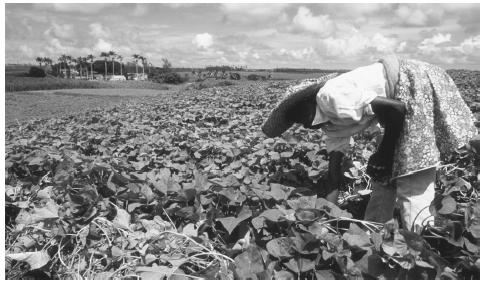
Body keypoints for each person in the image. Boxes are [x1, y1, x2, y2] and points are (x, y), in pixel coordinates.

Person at [261, 55, 478, 233]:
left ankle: (422, 240)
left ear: (308, 101)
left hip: (412, 82)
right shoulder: (329, 125)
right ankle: (373, 235)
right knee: (383, 173)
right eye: (295, 121)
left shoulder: (330, 97)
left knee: (412, 174)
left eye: (298, 115)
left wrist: (383, 153)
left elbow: (396, 109)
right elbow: (334, 175)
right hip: (398, 105)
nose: (302, 124)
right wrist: (328, 217)